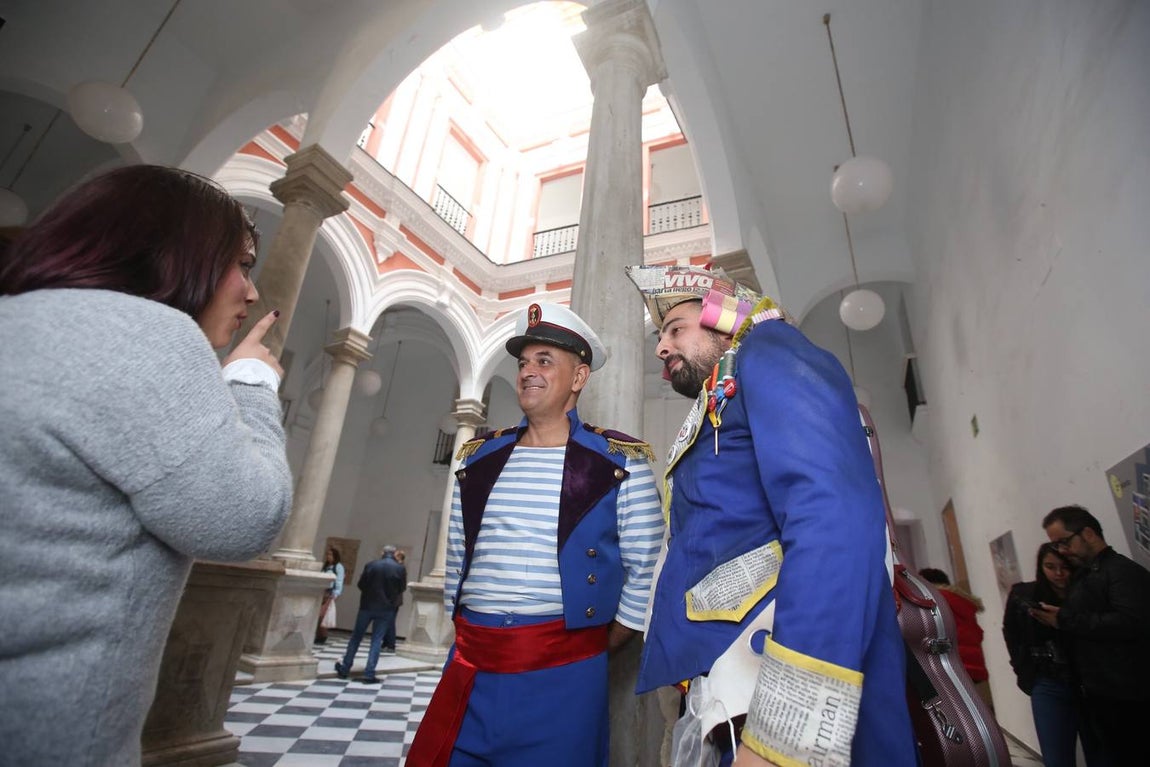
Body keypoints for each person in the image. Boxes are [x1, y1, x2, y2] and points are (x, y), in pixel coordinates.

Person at [0, 165, 293, 766]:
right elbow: (246, 519)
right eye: (239, 263)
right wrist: (251, 381)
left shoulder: (21, 318)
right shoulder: (148, 335)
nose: (251, 290)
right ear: (176, 252)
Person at [625, 264, 916, 767]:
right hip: (733, 682)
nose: (661, 348)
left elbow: (832, 521)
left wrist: (787, 733)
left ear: (722, 315)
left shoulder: (769, 350)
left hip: (777, 690)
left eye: (675, 329)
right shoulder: (726, 387)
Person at [407, 302, 663, 766]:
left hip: (566, 675)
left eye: (545, 361)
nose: (528, 372)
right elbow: (459, 550)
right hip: (473, 665)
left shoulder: (621, 462)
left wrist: (591, 646)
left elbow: (646, 569)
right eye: (524, 362)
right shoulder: (478, 457)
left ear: (579, 377)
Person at [1035, 505, 1150, 765]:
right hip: (1101, 694)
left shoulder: (1121, 571)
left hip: (1128, 697)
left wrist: (1065, 619)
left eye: (1064, 542)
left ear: (1087, 533)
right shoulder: (1087, 576)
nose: (1062, 551)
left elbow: (1131, 623)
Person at [1003, 543, 1105, 767]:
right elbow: (1011, 632)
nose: (1058, 574)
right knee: (1057, 756)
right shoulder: (1025, 595)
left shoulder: (1087, 594)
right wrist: (1022, 668)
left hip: (1092, 684)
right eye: (1050, 566)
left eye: (1064, 567)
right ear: (1041, 567)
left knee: (1101, 754)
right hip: (1048, 681)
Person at [918, 567, 991, 707]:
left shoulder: (935, 600)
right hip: (974, 667)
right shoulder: (960, 601)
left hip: (952, 665)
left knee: (952, 711)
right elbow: (976, 633)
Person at [335, 545, 407, 683]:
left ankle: (345, 668)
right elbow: (401, 588)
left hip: (367, 606)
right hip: (386, 608)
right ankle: (369, 673)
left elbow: (361, 584)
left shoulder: (372, 565)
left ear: (383, 552)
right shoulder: (399, 568)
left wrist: (370, 594)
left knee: (356, 638)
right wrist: (389, 599)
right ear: (393, 553)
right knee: (376, 640)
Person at [314, 548, 346, 644]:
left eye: (330, 555)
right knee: (318, 615)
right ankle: (319, 634)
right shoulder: (326, 566)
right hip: (322, 592)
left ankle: (322, 635)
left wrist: (336, 593)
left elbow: (339, 581)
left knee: (323, 615)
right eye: (327, 554)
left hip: (330, 593)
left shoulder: (338, 567)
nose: (328, 556)